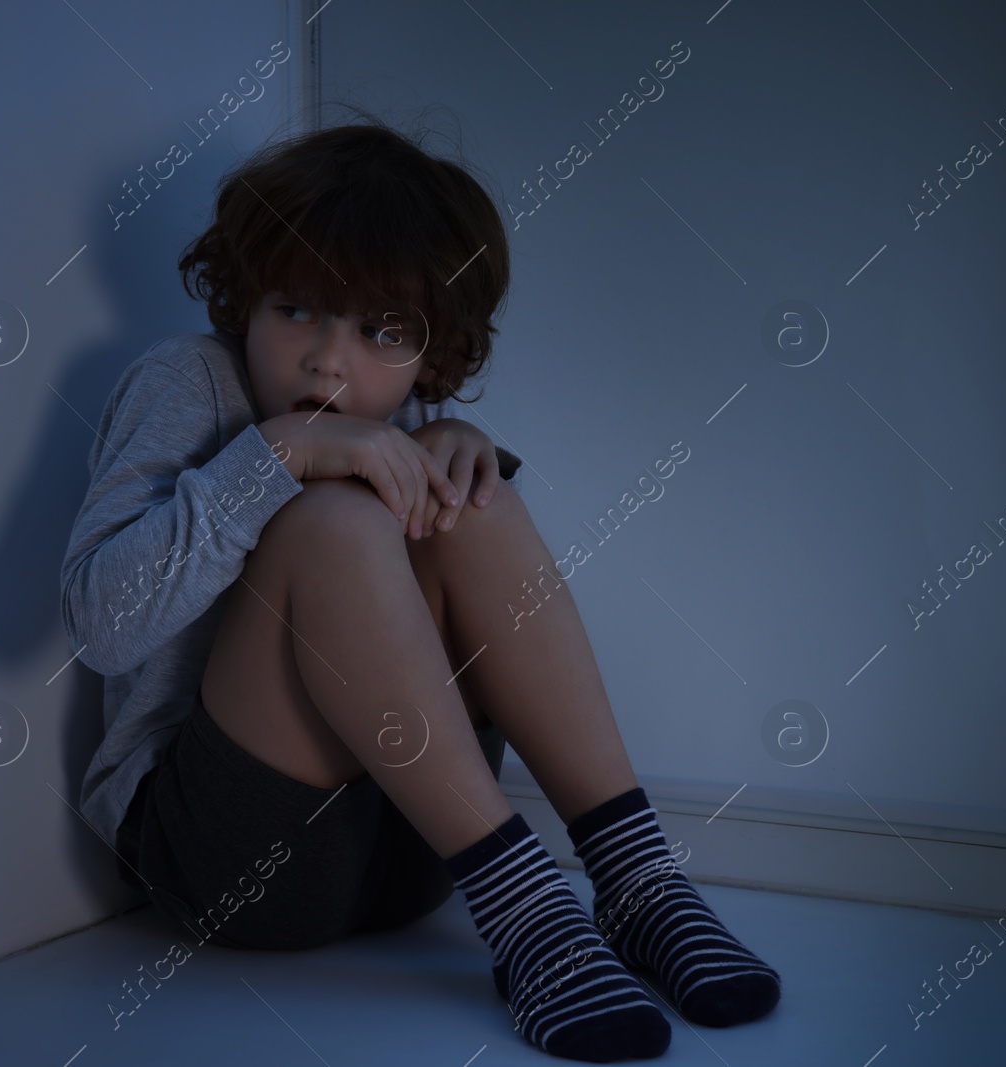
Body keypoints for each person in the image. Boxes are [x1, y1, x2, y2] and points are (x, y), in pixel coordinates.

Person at [59, 116, 778, 1062]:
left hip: (415, 857)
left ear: (431, 356)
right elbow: (101, 627)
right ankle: (531, 916)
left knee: (472, 498)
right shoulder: (190, 382)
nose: (328, 360)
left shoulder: (410, 419)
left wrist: (449, 459)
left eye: (379, 331)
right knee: (335, 518)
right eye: (297, 309)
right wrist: (278, 453)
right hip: (228, 860)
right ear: (245, 300)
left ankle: (638, 881)